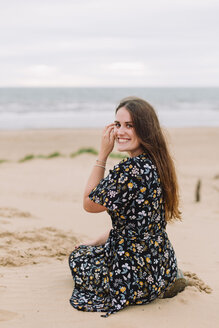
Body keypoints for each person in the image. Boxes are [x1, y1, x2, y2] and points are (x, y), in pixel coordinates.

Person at [69, 96, 186, 318]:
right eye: (118, 124)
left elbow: (89, 203)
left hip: (132, 278)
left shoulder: (129, 172)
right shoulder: (157, 164)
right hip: (162, 265)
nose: (121, 132)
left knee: (79, 257)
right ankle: (168, 279)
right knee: (96, 246)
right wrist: (96, 240)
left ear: (145, 129)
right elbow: (134, 224)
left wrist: (102, 154)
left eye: (129, 126)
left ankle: (138, 289)